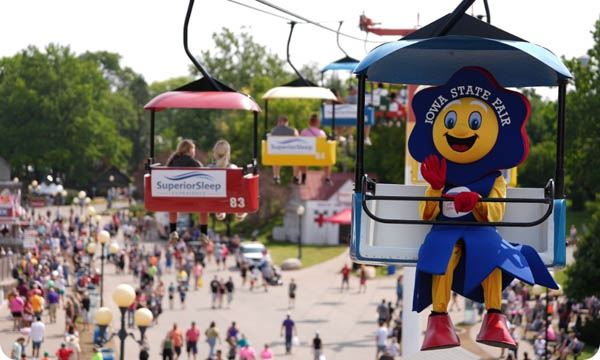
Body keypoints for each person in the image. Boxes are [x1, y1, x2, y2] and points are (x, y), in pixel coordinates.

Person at [165, 139, 204, 234]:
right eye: (194, 149)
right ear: (190, 150)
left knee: (172, 207)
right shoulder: (194, 163)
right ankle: (204, 231)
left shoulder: (172, 162)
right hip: (192, 196)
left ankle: (173, 230)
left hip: (173, 196)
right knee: (204, 204)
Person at [208, 140, 247, 222]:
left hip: (215, 197)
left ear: (215, 153)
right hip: (231, 197)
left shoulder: (209, 168)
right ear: (228, 154)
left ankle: (220, 209)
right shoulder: (233, 168)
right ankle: (228, 210)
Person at [298, 114, 332, 185]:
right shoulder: (321, 133)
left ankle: (303, 177)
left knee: (302, 161)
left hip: (307, 156)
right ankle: (327, 178)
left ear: (309, 122)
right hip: (319, 156)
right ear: (317, 123)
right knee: (328, 162)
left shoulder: (304, 132)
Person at [269, 115, 299, 184]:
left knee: (275, 160)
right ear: (286, 122)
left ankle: (276, 176)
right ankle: (295, 177)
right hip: (290, 155)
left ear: (279, 122)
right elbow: (298, 139)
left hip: (278, 155)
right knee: (297, 160)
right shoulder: (293, 131)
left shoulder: (273, 131)